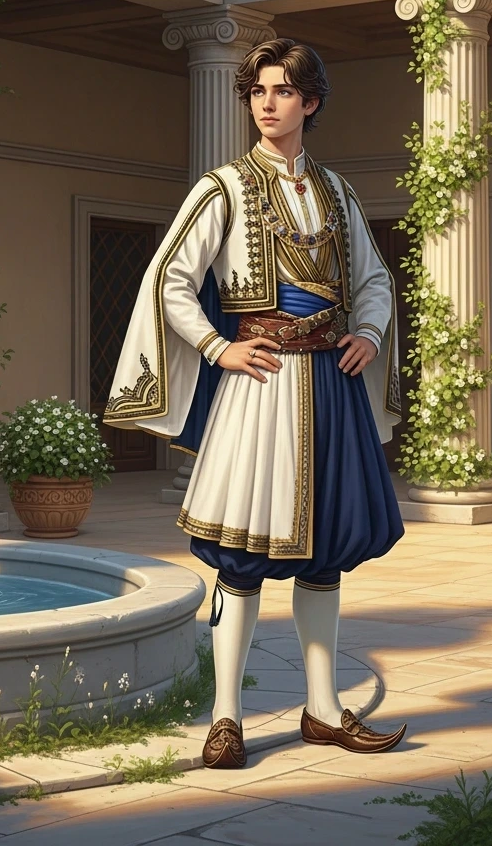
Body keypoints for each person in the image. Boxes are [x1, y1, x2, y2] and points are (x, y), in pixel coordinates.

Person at [104, 38, 407, 769]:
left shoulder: (338, 192)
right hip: (260, 387)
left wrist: (367, 330)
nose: (266, 103)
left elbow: (372, 279)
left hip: (331, 387)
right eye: (256, 91)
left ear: (310, 101)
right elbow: (173, 279)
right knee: (239, 558)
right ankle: (226, 719)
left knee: (325, 555)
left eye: (282, 90)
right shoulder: (224, 187)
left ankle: (323, 710)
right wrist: (217, 348)